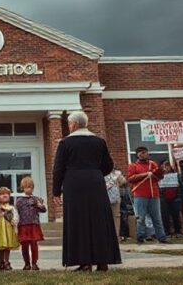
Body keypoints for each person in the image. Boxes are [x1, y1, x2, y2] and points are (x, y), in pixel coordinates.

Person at [53, 111, 122, 271]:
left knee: (78, 221)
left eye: (69, 124)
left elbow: (58, 169)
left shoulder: (65, 143)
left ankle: (84, 262)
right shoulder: (99, 141)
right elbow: (109, 165)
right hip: (96, 182)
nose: (69, 126)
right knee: (99, 220)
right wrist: (95, 173)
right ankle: (103, 261)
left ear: (74, 124)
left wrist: (56, 191)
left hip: (73, 183)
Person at [127, 146, 169, 245]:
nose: (145, 154)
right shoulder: (133, 166)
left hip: (154, 194)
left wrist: (160, 172)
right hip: (140, 194)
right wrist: (145, 174)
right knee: (140, 218)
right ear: (138, 154)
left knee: (157, 218)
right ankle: (141, 237)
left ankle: (161, 237)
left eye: (146, 152)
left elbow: (158, 178)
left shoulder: (152, 164)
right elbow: (130, 178)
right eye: (142, 153)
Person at [15, 176, 46, 270]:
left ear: (33, 188)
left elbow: (44, 210)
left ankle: (34, 263)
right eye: (26, 187)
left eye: (30, 187)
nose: (28, 189)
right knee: (24, 245)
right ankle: (26, 263)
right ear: (22, 188)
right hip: (23, 225)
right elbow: (16, 213)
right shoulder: (19, 200)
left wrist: (39, 205)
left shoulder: (36, 199)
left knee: (34, 244)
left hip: (34, 224)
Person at [158, 160, 182, 237]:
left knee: (176, 215)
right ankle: (167, 232)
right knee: (165, 216)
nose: (166, 168)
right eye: (164, 166)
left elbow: (180, 185)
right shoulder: (159, 176)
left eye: (167, 166)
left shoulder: (175, 175)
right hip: (163, 198)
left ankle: (178, 231)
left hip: (175, 197)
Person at [104, 162, 127, 238]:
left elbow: (124, 182)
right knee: (106, 217)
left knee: (116, 217)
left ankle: (115, 236)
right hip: (104, 199)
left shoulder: (117, 173)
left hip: (115, 199)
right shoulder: (101, 173)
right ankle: (107, 236)